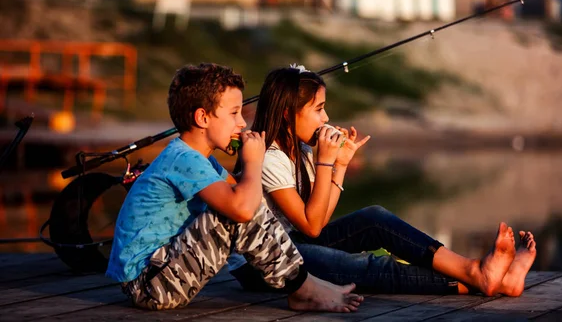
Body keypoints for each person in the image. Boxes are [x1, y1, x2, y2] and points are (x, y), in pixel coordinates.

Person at [230, 65, 537, 297]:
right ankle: (477, 279)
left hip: (293, 245)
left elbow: (317, 224)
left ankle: (480, 272)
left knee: (375, 218)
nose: (325, 118)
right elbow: (312, 226)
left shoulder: (302, 149)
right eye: (319, 109)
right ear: (287, 114)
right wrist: (326, 161)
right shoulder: (269, 158)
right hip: (262, 264)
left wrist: (339, 166)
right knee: (362, 267)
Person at [105, 63, 364, 312]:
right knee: (239, 210)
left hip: (167, 274)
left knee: (248, 203)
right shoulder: (183, 158)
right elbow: (241, 211)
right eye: (234, 113)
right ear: (202, 117)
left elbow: (252, 202)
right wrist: (253, 162)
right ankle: (302, 288)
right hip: (150, 284)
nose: (242, 123)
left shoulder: (204, 161)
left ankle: (302, 284)